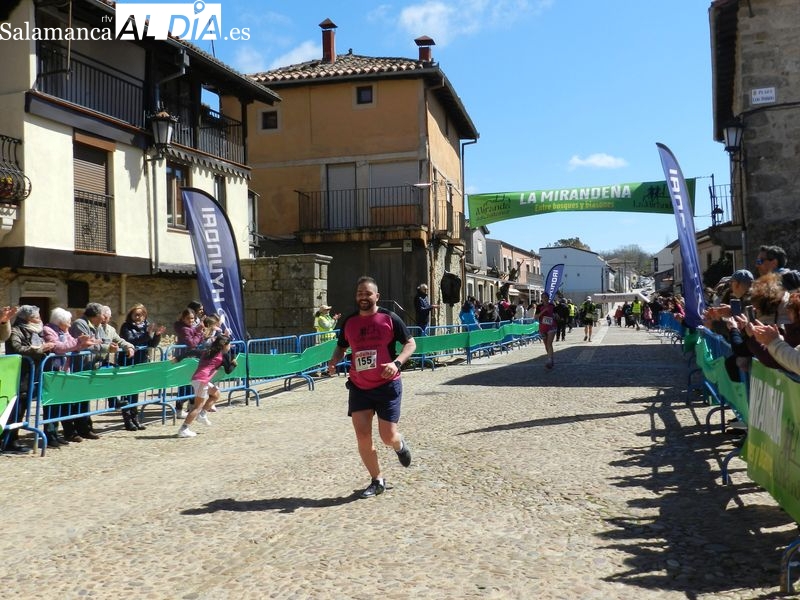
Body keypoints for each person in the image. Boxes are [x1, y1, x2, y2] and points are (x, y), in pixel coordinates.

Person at [326, 276, 416, 499]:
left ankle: (399, 444)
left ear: (377, 296)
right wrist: (334, 360)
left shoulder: (389, 318)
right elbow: (341, 347)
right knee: (363, 436)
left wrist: (396, 364)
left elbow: (410, 343)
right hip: (359, 387)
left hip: (387, 385)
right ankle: (377, 480)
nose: (363, 297)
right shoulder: (350, 322)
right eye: (360, 293)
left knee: (387, 436)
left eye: (368, 293)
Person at [41, 307, 99, 446]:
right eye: (68, 321)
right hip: (53, 372)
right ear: (60, 321)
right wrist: (78, 342)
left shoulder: (65, 331)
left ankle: (58, 434)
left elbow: (71, 345)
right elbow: (59, 348)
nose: (70, 323)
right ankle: (50, 435)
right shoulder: (48, 330)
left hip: (64, 372)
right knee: (52, 405)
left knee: (61, 404)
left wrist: (83, 344)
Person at [2, 305, 56, 452]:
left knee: (22, 408)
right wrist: (40, 349)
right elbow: (17, 349)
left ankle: (12, 439)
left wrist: (45, 348)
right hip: (19, 375)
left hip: (32, 374)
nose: (39, 319)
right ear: (27, 319)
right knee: (15, 408)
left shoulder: (37, 331)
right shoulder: (16, 330)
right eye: (36, 317)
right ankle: (8, 440)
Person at [176, 335, 237, 438]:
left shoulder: (206, 351)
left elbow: (191, 352)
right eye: (229, 344)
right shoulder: (223, 355)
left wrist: (178, 358)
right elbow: (228, 370)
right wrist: (234, 363)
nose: (230, 346)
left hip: (199, 379)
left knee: (216, 394)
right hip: (202, 380)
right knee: (197, 407)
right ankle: (183, 429)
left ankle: (202, 414)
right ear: (225, 345)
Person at [119, 303, 166, 430]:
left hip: (140, 362)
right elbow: (131, 340)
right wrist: (147, 334)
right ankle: (127, 420)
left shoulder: (146, 326)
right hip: (128, 362)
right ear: (131, 315)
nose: (139, 317)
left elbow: (152, 344)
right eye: (136, 314)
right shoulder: (126, 326)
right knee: (127, 392)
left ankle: (135, 418)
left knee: (135, 392)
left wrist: (157, 335)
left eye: (141, 314)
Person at [98, 305, 136, 416]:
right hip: (91, 361)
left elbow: (120, 340)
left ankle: (114, 401)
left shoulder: (111, 329)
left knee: (116, 372)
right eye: (103, 316)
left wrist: (129, 347)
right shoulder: (94, 328)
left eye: (107, 317)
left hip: (103, 361)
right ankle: (114, 401)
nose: (105, 319)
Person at [173, 307, 205, 416]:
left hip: (191, 357)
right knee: (184, 384)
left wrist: (199, 332)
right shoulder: (183, 329)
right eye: (188, 318)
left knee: (192, 383)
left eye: (192, 318)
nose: (191, 320)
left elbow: (200, 340)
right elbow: (192, 343)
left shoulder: (191, 328)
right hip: (184, 358)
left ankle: (191, 406)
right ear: (183, 318)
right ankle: (179, 408)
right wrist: (199, 332)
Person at [534, 292, 556, 369]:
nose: (544, 299)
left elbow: (555, 314)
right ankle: (550, 358)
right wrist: (543, 311)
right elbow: (535, 317)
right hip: (542, 327)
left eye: (546, 297)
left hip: (551, 327)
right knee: (546, 344)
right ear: (541, 298)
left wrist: (556, 316)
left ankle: (549, 360)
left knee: (549, 344)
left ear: (548, 298)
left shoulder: (552, 305)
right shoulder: (539, 306)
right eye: (543, 297)